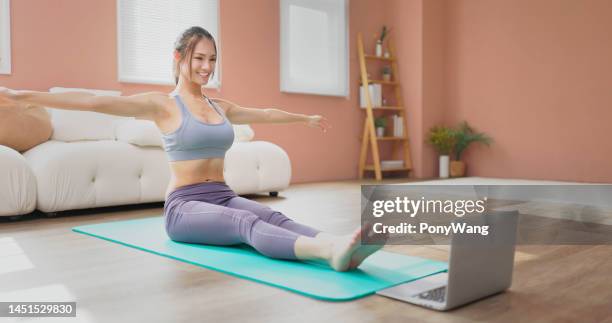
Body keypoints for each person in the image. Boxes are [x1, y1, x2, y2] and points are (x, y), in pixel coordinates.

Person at [0, 26, 386, 271]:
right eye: (199, 58)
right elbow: (91, 102)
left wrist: (304, 119)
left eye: (212, 59)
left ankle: (337, 243)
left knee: (276, 219)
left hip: (223, 196)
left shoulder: (220, 106)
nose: (206, 67)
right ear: (179, 58)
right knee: (246, 224)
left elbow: (264, 112)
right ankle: (327, 255)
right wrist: (20, 94)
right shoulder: (162, 104)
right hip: (184, 208)